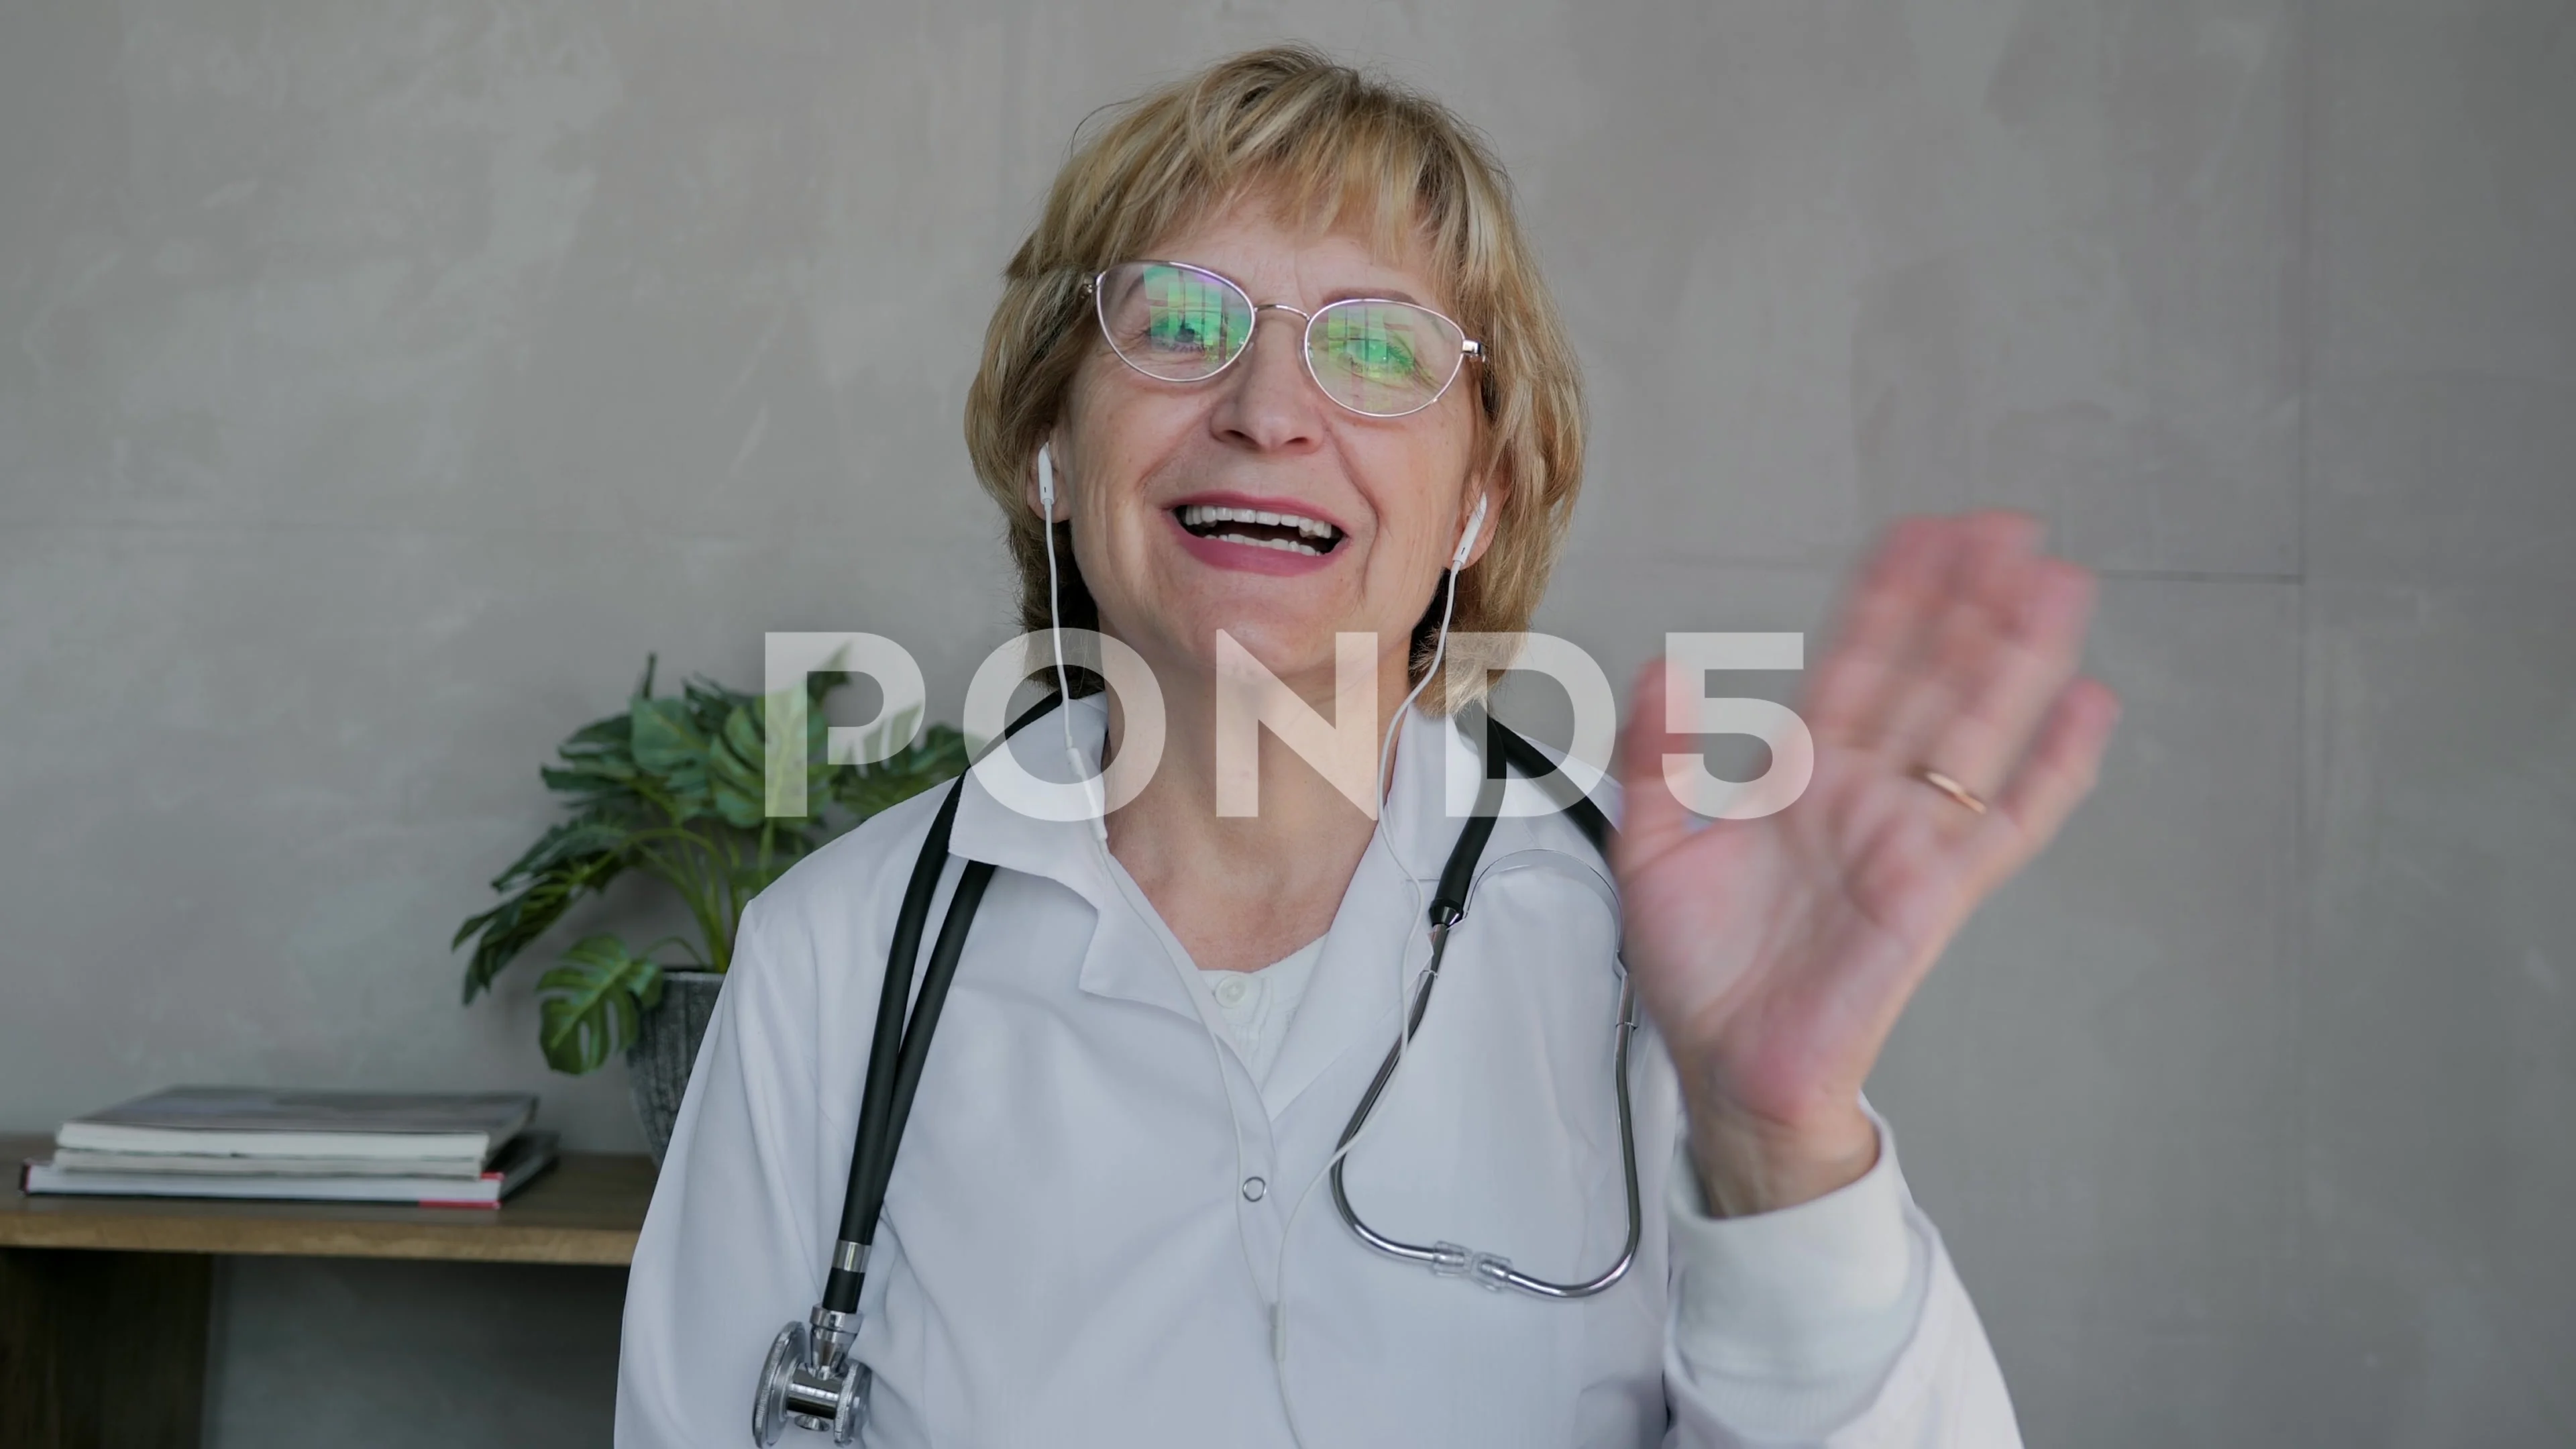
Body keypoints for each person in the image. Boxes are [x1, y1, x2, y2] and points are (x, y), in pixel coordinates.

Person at [616, 44, 2118, 1448]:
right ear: (1051, 449)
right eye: (1183, 323)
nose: (1270, 410)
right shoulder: (838, 961)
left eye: (1380, 351)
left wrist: (1777, 1140)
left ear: (1479, 499)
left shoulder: (1667, 953)